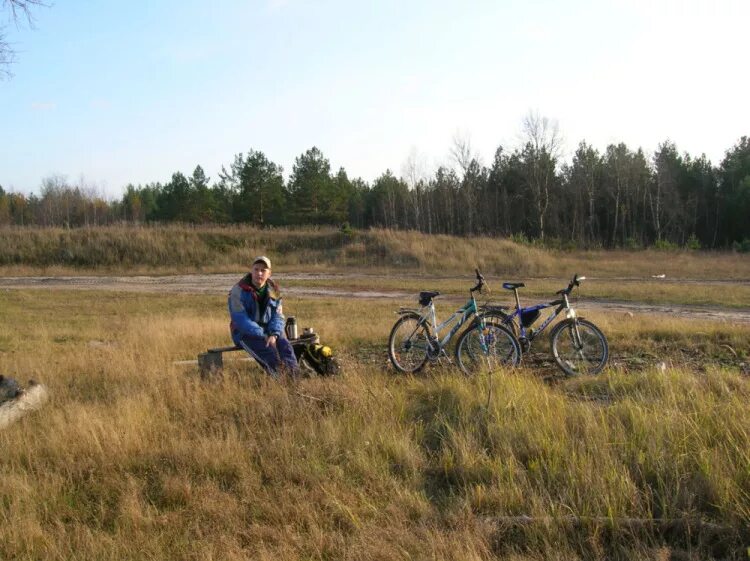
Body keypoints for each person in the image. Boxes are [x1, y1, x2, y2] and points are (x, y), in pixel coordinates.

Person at [228, 256, 299, 378]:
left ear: (269, 273)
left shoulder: (274, 290)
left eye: (263, 270)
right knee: (269, 354)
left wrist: (274, 334)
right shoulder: (238, 290)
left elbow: (278, 315)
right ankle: (281, 382)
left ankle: (295, 380)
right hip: (244, 333)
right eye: (256, 269)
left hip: (269, 331)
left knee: (285, 347)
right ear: (251, 270)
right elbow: (241, 320)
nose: (259, 273)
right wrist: (264, 335)